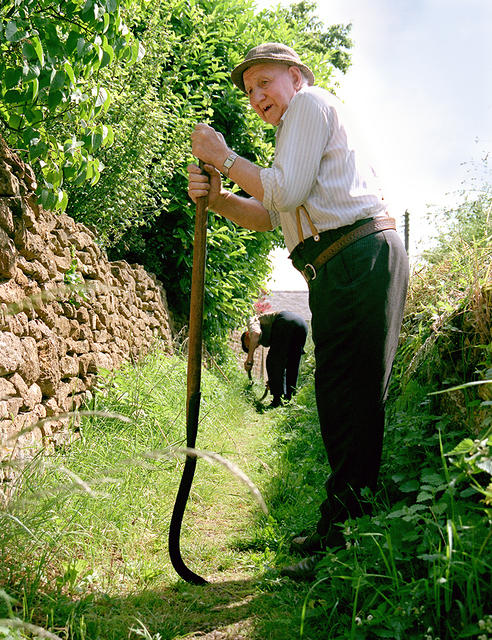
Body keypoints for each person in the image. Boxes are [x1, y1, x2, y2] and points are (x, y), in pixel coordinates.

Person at [187, 42, 409, 580]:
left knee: (351, 398)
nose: (256, 96)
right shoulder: (293, 136)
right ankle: (342, 525)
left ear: (294, 76)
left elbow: (281, 193)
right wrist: (218, 198)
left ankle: (347, 541)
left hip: (359, 255)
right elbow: (269, 214)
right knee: (338, 395)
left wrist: (223, 158)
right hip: (336, 266)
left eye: (264, 82)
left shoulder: (310, 106)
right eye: (249, 90)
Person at [241, 310, 308, 407]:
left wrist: (249, 359)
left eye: (249, 345)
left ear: (247, 336)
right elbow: (281, 363)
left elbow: (256, 333)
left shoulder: (252, 322)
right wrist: (274, 380)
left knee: (272, 361)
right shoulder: (266, 336)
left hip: (285, 321)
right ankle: (289, 400)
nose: (254, 346)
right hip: (301, 325)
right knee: (291, 364)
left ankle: (277, 401)